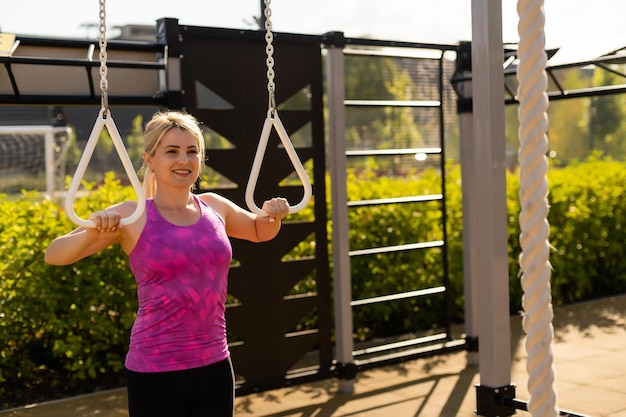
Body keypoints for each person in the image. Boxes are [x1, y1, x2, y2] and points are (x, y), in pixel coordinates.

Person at [45, 110, 290, 417]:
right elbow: (54, 254)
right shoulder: (134, 215)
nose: (183, 160)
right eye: (171, 151)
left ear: (201, 158)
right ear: (150, 159)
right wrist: (94, 229)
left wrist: (273, 215)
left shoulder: (214, 206)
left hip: (214, 363)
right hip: (155, 369)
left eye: (192, 151)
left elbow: (258, 230)